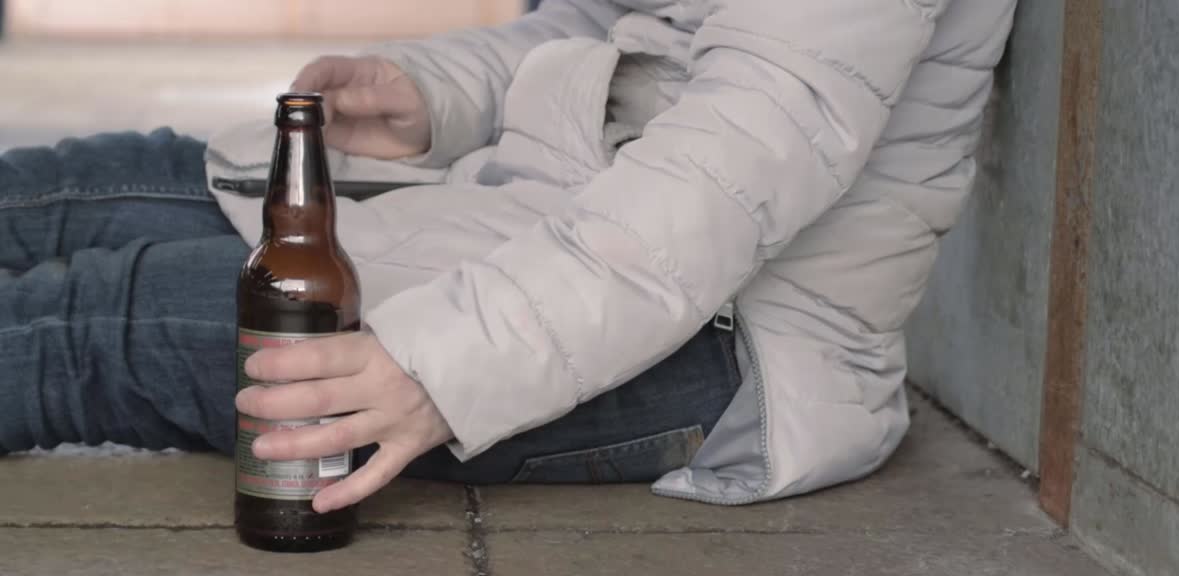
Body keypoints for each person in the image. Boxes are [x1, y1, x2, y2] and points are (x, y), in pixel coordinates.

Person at [0, 0, 1017, 512]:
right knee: (75, 194)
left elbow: (723, 181)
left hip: (720, 342)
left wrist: (440, 369)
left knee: (103, 327)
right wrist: (435, 91)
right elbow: (611, 23)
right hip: (560, 222)